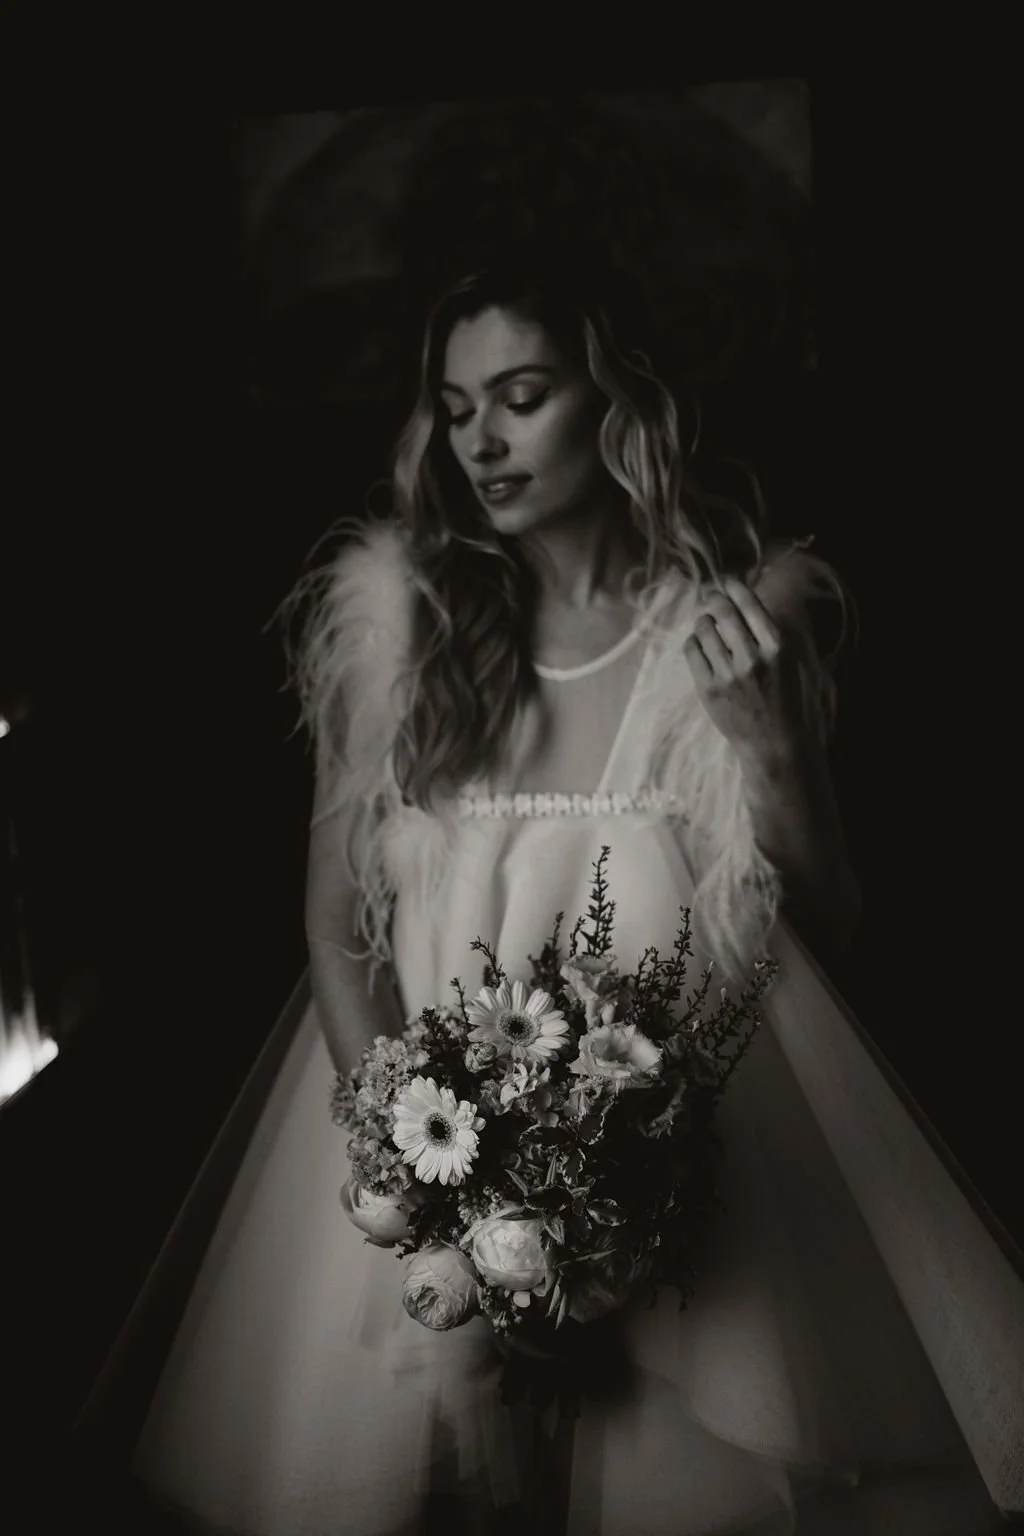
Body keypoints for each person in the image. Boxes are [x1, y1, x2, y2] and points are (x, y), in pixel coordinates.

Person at [101, 254, 996, 1534]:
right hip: (426, 1157)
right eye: (458, 408)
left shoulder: (725, 628)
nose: (481, 440)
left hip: (705, 1175)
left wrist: (777, 749)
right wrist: (425, 1197)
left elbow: (825, 929)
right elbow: (331, 934)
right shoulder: (401, 623)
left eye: (521, 395)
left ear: (616, 399)